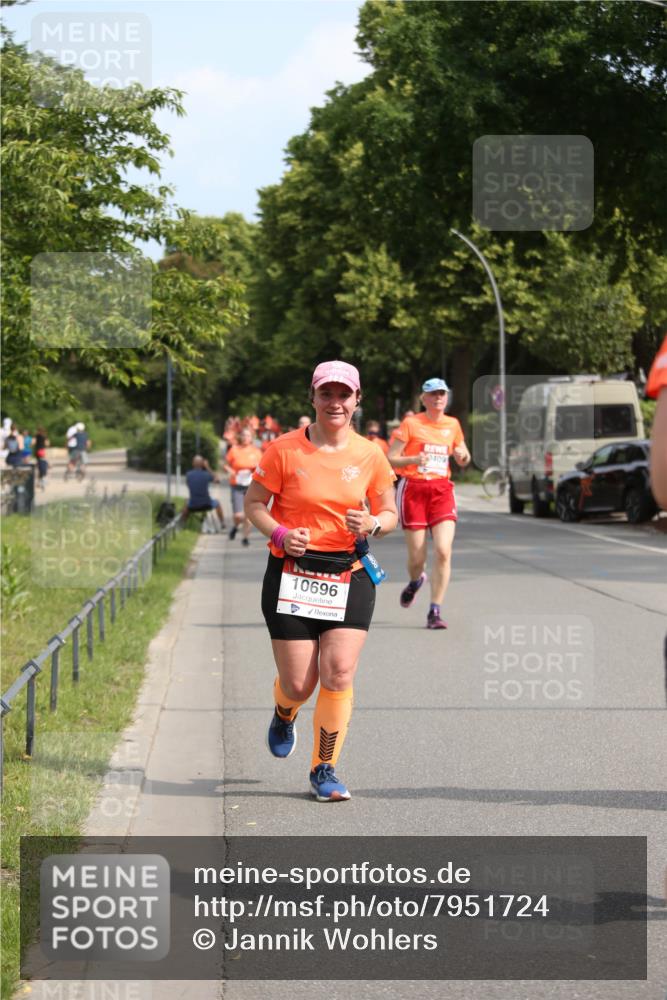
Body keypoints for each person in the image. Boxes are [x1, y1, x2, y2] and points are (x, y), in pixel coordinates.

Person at [244, 360, 397, 802]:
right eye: (326, 394)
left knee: (339, 672)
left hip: (349, 573)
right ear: (312, 398)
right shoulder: (283, 450)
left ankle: (323, 768)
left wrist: (372, 523)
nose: (335, 402)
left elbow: (390, 514)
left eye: (343, 395)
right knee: (298, 684)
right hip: (293, 574)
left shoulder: (370, 454)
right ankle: (284, 711)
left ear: (356, 401)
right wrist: (279, 533)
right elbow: (255, 503)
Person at [388, 378, 470, 630]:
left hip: (441, 489)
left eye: (442, 394)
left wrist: (462, 456)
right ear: (423, 399)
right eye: (433, 394)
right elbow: (391, 458)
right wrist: (413, 458)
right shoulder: (411, 423)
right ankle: (416, 581)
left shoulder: (453, 424)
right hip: (414, 489)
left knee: (444, 551)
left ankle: (435, 610)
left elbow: (464, 456)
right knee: (417, 557)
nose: (438, 398)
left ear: (447, 397)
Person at [223, 427, 263, 546]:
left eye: (248, 436)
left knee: (249, 514)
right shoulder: (234, 450)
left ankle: (245, 538)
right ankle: (235, 526)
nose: (246, 438)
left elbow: (262, 467)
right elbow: (225, 465)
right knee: (238, 515)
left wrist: (256, 469)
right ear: (240, 437)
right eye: (244, 435)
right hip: (237, 484)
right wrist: (231, 471)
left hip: (251, 485)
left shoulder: (257, 452)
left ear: (252, 438)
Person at [181, 455, 225, 528]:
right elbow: (217, 480)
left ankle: (182, 524)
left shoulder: (188, 474)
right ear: (202, 464)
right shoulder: (206, 474)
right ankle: (222, 523)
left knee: (186, 502)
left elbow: (188, 485)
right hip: (206, 504)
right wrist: (207, 467)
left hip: (193, 504)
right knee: (217, 503)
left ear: (193, 464)